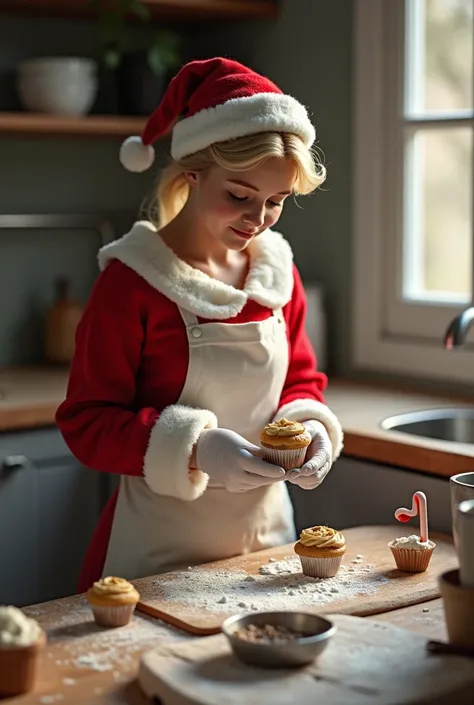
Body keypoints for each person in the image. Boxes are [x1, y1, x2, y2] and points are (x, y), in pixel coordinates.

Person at [56, 57, 344, 591]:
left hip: (267, 540)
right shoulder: (134, 282)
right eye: (239, 195)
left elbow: (300, 379)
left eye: (276, 202)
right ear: (192, 173)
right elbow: (86, 422)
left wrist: (312, 429)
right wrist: (197, 449)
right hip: (156, 553)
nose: (257, 219)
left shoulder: (275, 273)